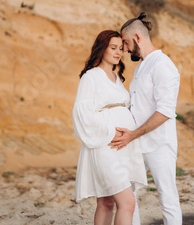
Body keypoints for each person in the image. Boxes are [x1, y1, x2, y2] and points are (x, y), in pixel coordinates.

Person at [109, 12, 182, 225]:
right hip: (137, 143)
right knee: (128, 196)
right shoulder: (141, 67)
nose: (124, 48)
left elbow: (165, 111)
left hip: (160, 143)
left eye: (125, 42)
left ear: (138, 37)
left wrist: (134, 134)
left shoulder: (163, 65)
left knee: (167, 197)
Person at [73, 30, 147, 225]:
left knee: (106, 202)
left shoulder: (116, 78)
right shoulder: (91, 77)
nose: (118, 53)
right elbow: (82, 113)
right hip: (105, 144)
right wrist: (111, 131)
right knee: (128, 202)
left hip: (123, 146)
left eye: (121, 49)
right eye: (113, 48)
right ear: (102, 48)